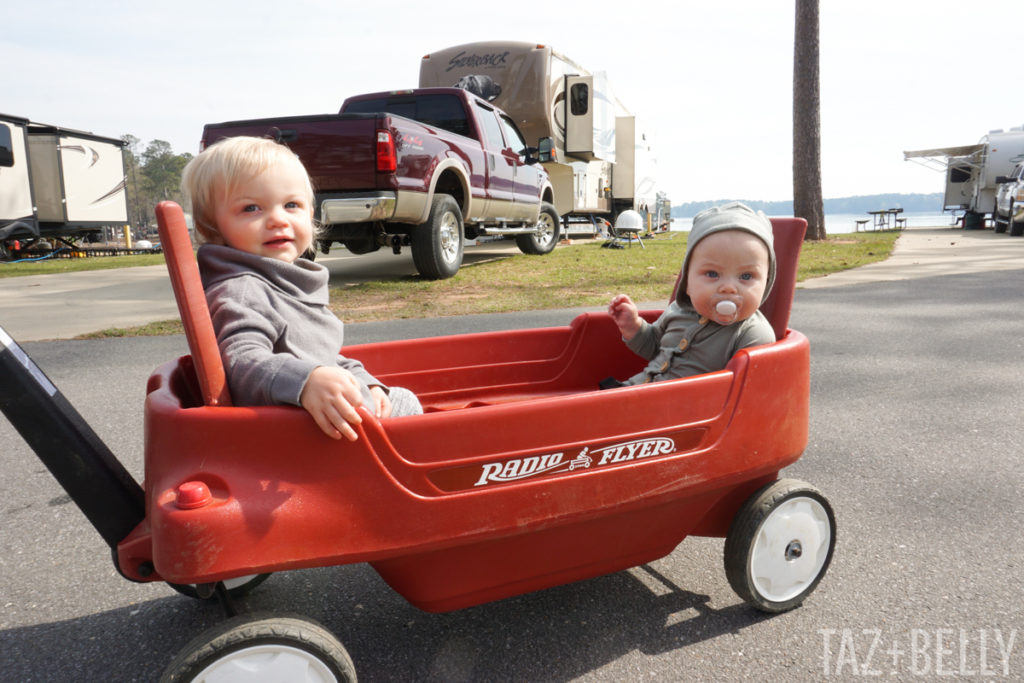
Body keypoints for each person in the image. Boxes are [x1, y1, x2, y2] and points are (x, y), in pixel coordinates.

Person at [180, 136, 422, 440]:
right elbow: (239, 362)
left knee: (395, 397)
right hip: (299, 434)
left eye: (291, 205)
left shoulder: (283, 284)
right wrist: (306, 382)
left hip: (326, 420)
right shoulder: (243, 290)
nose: (278, 219)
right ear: (210, 227)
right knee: (408, 404)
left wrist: (366, 381)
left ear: (310, 214)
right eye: (251, 208)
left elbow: (326, 356)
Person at [601, 201, 777, 388]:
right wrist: (633, 327)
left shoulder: (754, 334)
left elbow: (745, 395)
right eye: (712, 274)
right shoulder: (678, 311)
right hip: (636, 390)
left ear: (766, 284)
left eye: (746, 276)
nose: (728, 288)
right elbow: (654, 348)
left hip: (684, 410)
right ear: (687, 284)